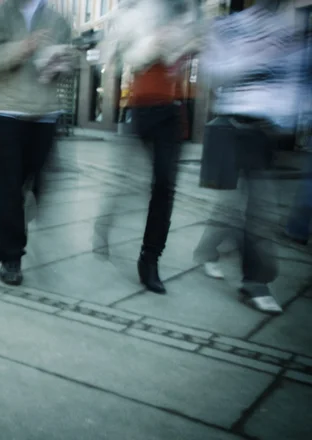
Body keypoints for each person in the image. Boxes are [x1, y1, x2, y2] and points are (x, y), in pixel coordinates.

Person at [193, 0, 307, 314]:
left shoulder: (289, 30)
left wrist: (293, 114)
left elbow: (297, 79)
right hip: (234, 126)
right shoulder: (230, 27)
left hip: (268, 132)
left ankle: (208, 251)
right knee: (253, 208)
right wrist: (254, 57)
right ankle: (255, 283)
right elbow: (213, 72)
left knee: (243, 206)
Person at [93, 0, 202, 293]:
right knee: (129, 182)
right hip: (142, 107)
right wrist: (155, 43)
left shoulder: (185, 10)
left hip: (173, 108)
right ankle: (106, 221)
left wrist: (188, 43)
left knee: (165, 185)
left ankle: (150, 259)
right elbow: (122, 53)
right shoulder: (137, 11)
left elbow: (192, 46)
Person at [0, 0, 76, 285]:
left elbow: (69, 62)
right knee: (8, 188)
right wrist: (24, 47)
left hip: (46, 113)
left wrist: (62, 64)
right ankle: (11, 256)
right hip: (9, 111)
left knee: (36, 184)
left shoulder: (57, 19)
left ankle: (18, 217)